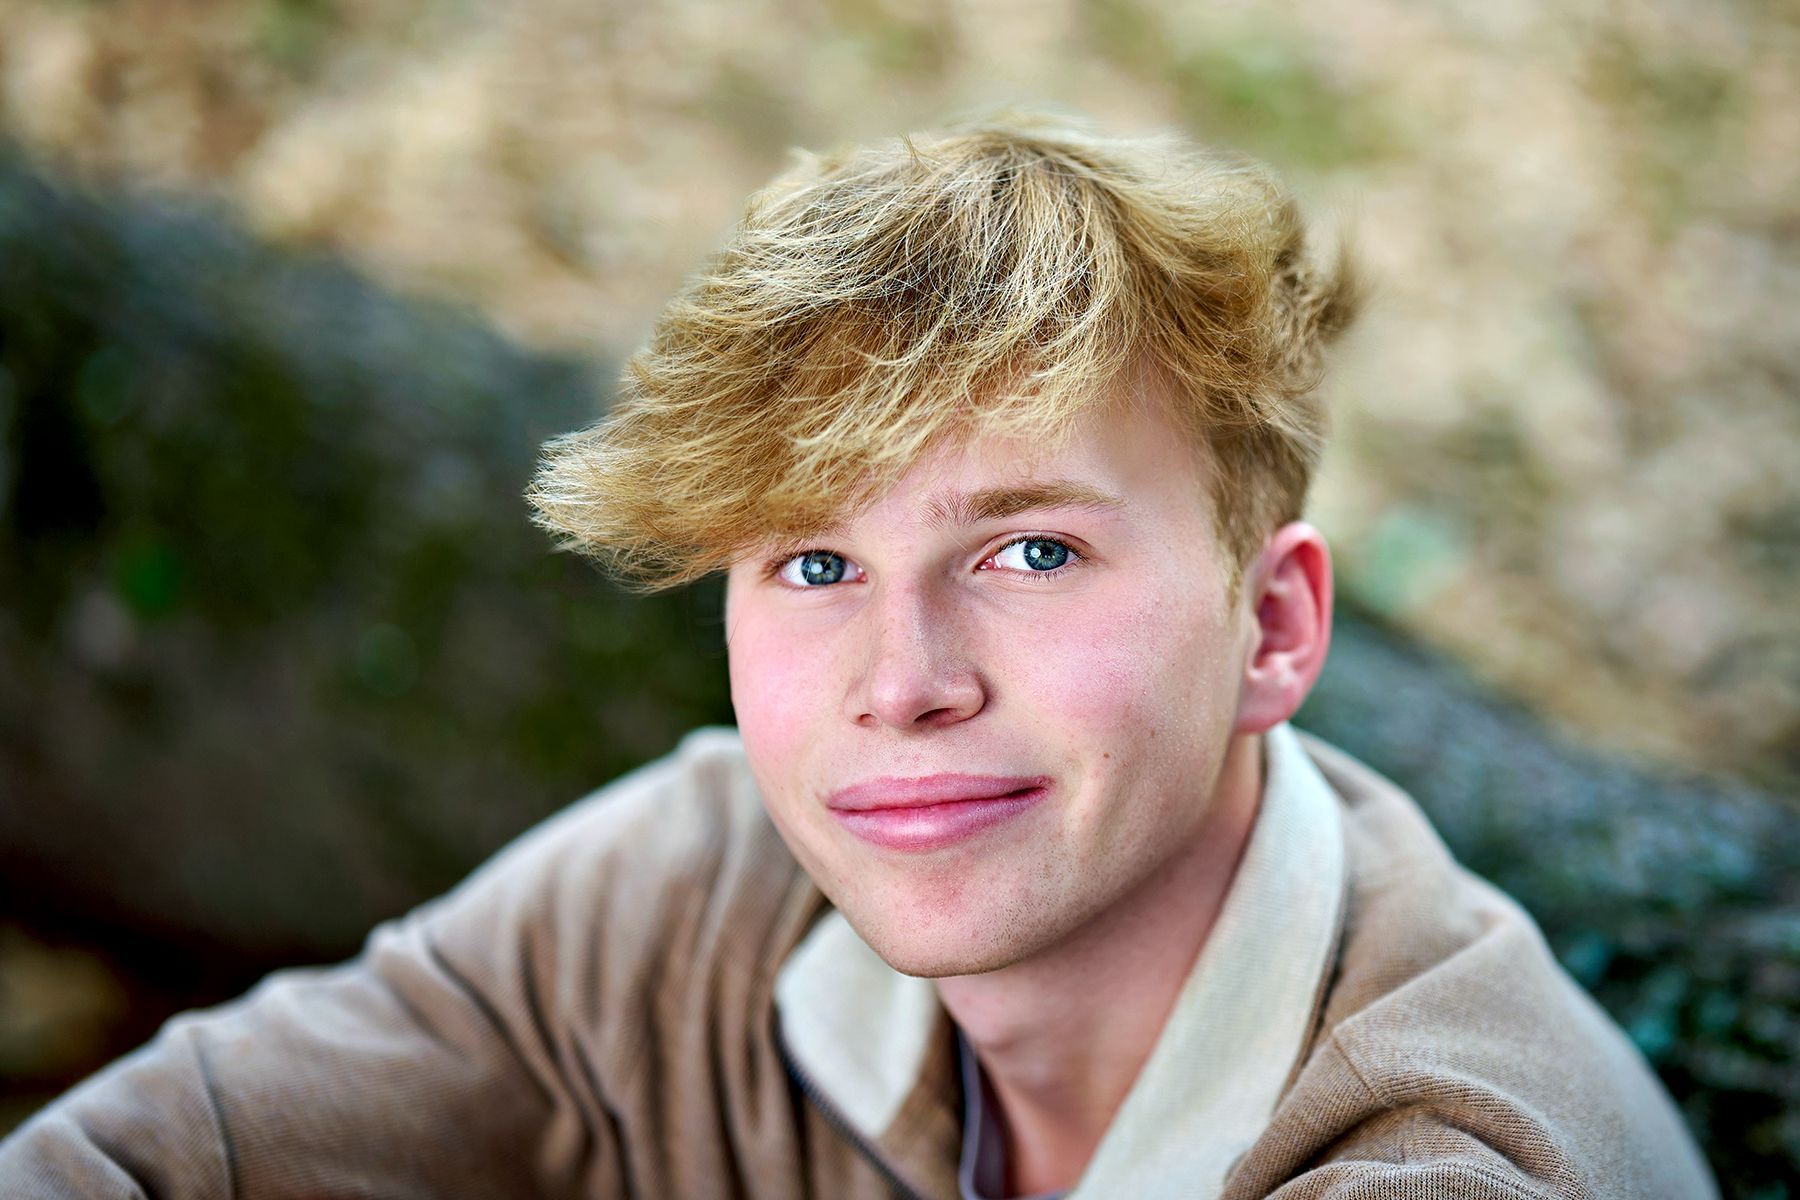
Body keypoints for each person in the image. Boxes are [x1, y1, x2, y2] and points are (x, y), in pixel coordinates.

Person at [1, 112, 1714, 1199]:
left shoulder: (1461, 1163)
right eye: (814, 560)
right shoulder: (702, 880)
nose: (902, 678)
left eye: (1029, 552)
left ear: (1271, 629)